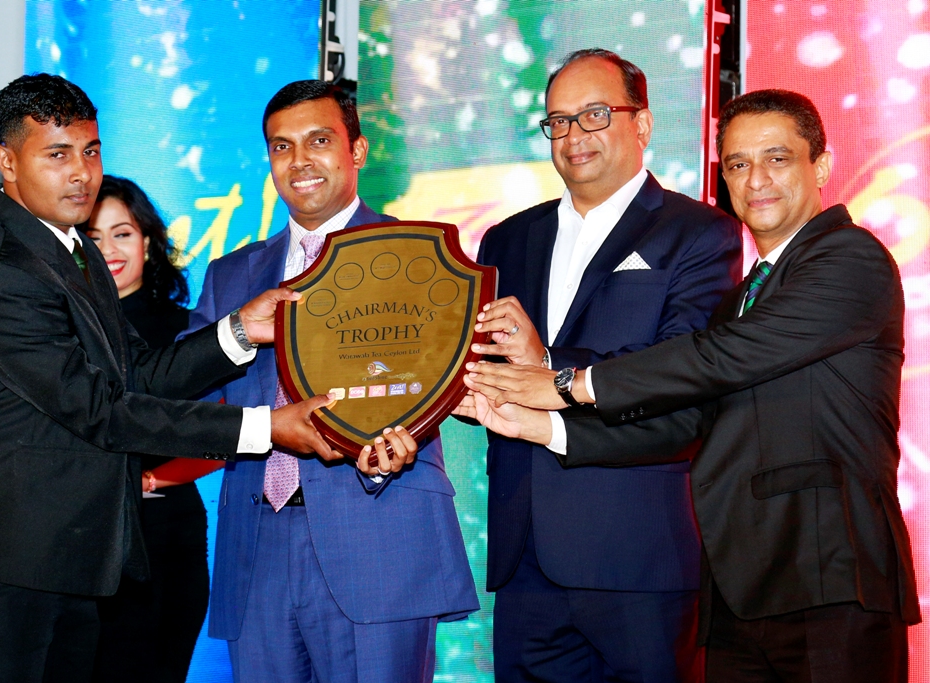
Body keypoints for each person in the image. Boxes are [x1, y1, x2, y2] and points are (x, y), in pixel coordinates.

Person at [460, 89, 919, 682]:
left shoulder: (849, 257)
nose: (756, 179)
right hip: (736, 590)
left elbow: (718, 358)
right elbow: (684, 420)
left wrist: (568, 382)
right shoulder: (742, 297)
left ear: (821, 166)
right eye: (736, 164)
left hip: (828, 577)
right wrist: (538, 424)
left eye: (777, 158)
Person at [0, 73, 339, 683]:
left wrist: (239, 330)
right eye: (57, 155)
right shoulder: (0, 272)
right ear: (7, 161)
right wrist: (264, 428)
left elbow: (136, 371)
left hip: (74, 562)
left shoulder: (71, 250)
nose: (81, 172)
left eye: (91, 151)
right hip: (4, 567)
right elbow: (102, 409)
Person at [183, 80, 480, 683]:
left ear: (358, 151)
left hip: (380, 531)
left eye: (319, 141)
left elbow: (445, 383)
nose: (300, 162)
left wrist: (398, 444)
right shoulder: (231, 276)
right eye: (281, 147)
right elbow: (185, 393)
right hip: (256, 540)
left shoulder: (419, 258)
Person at [470, 49, 741, 682]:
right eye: (558, 121)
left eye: (594, 114)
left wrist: (546, 365)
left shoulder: (700, 233)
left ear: (642, 124)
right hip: (525, 557)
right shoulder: (505, 240)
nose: (573, 136)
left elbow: (680, 374)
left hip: (637, 556)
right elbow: (487, 367)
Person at [79, 175, 208, 682]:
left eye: (123, 233)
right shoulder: (57, 328)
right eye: (93, 237)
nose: (108, 249)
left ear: (148, 241)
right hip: (82, 540)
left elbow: (221, 436)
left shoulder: (189, 329)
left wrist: (152, 481)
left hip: (164, 538)